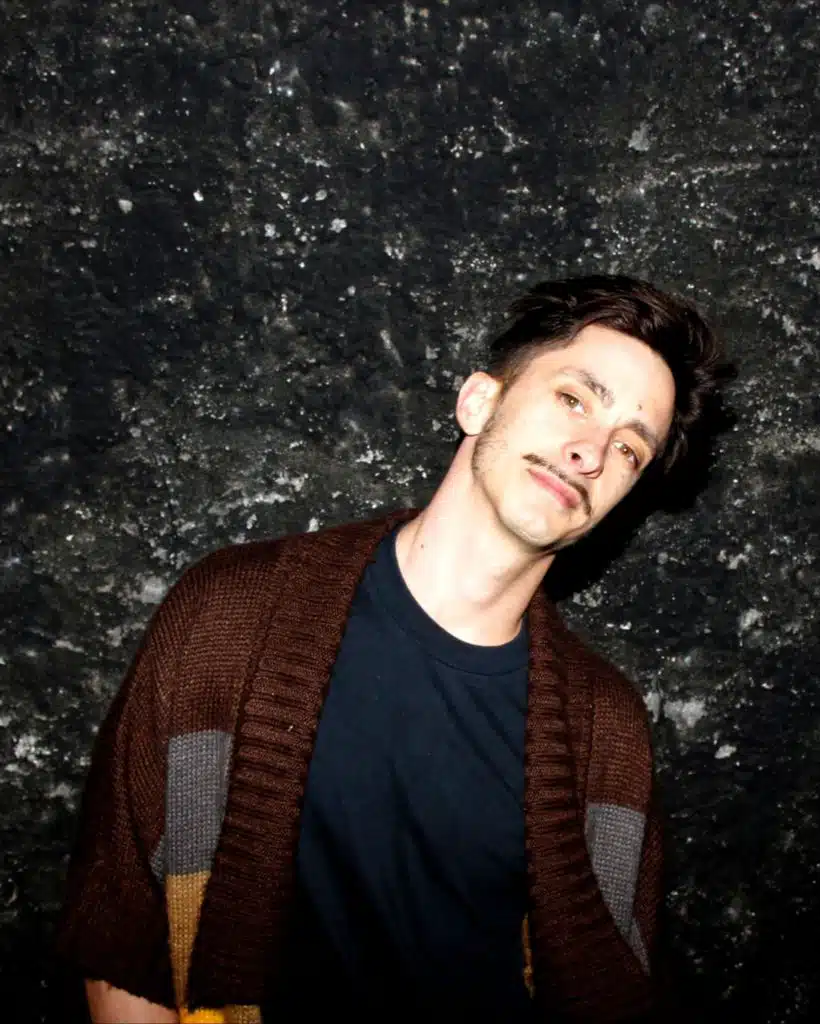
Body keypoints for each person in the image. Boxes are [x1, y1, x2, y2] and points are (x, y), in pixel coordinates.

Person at [56, 274, 730, 1022]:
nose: (590, 453)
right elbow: (122, 926)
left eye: (629, 449)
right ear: (479, 402)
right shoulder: (234, 614)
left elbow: (618, 994)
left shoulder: (607, 730)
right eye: (574, 399)